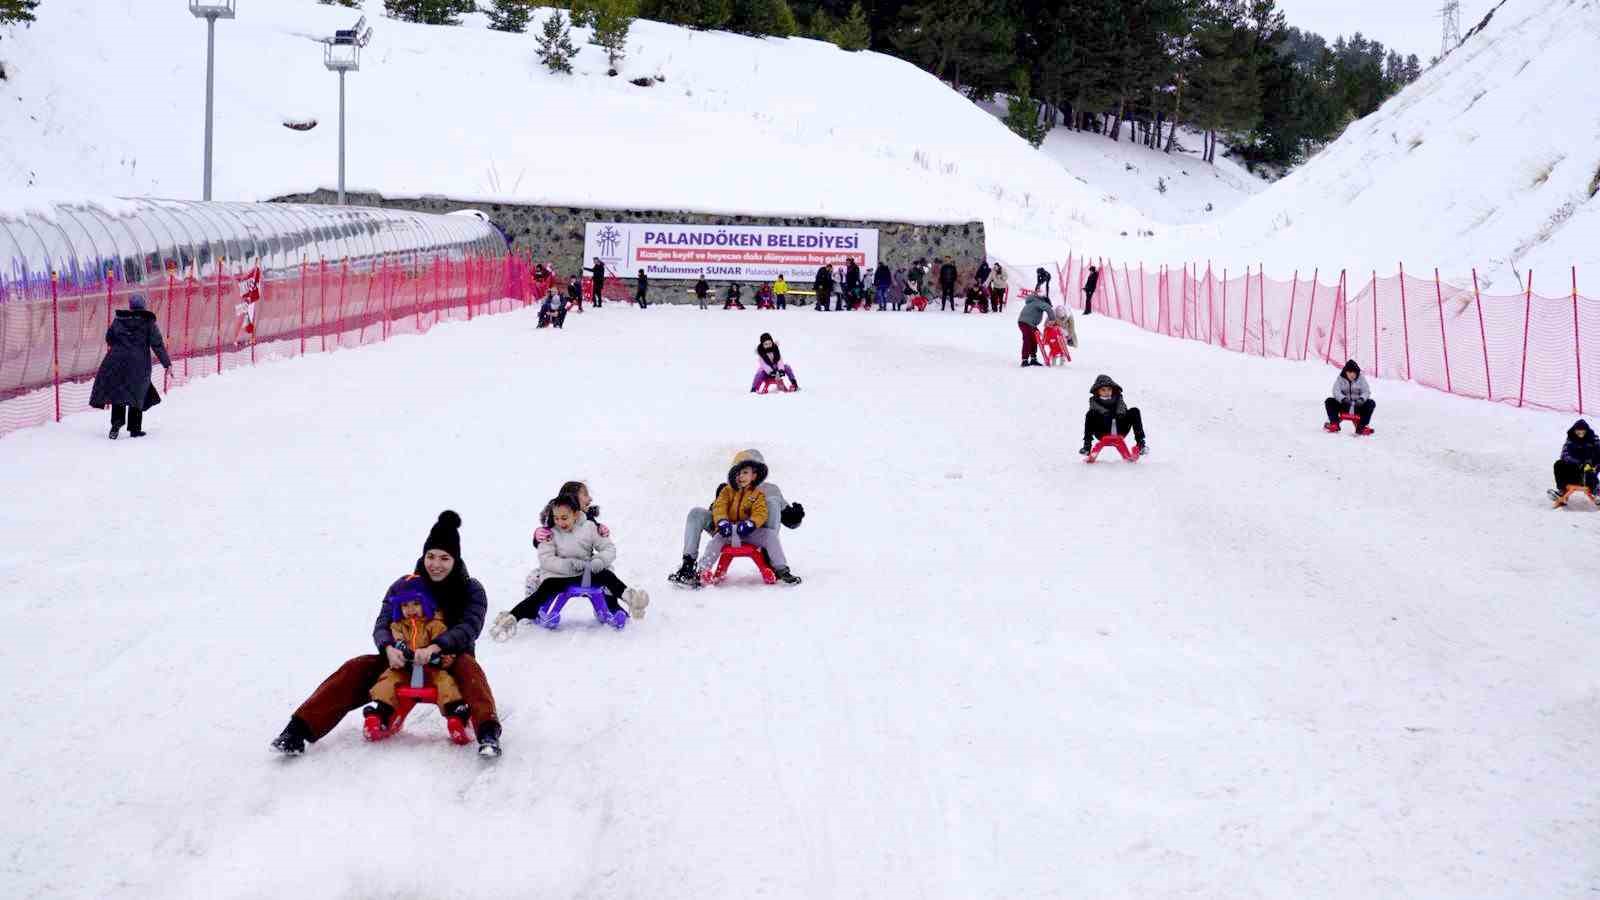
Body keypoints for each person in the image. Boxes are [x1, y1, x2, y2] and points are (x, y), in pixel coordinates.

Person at [271, 511, 503, 758]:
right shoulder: (404, 586)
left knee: (471, 671)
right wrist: (388, 648)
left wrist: (436, 647)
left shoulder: (471, 589)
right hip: (401, 661)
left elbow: (469, 627)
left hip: (448, 661)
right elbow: (383, 622)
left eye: (444, 558)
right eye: (431, 556)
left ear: (455, 559)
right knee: (355, 668)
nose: (436, 564)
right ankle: (296, 731)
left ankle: (488, 734)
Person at [495, 494, 649, 632]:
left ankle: (632, 599)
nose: (559, 522)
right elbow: (546, 559)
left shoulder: (589, 528)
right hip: (560, 577)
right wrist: (568, 565)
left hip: (585, 573)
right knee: (545, 589)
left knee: (607, 576)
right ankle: (513, 617)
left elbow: (608, 548)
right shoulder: (550, 533)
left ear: (575, 514)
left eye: (564, 517)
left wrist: (599, 560)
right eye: (556, 518)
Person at [668, 450, 804, 587]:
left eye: (745, 472)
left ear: (755, 473)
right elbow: (719, 508)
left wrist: (793, 516)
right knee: (699, 519)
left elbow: (765, 514)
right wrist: (721, 521)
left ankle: (778, 566)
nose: (741, 476)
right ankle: (692, 568)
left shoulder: (765, 491)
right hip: (727, 531)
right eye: (738, 472)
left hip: (753, 532)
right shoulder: (727, 490)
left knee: (771, 519)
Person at [364, 576, 468, 741]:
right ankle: (382, 713)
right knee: (388, 678)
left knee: (446, 682)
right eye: (404, 605)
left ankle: (455, 714)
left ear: (426, 603)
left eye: (416, 603)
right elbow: (396, 641)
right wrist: (398, 651)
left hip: (432, 670)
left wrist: (441, 657)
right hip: (406, 670)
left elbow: (443, 645)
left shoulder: (435, 624)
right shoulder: (397, 625)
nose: (410, 609)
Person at [90, 293, 173, 440]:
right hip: (138, 364)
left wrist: (121, 345)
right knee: (137, 394)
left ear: (130, 306)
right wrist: (167, 364)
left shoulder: (119, 320)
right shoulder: (148, 322)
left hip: (116, 361)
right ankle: (135, 429)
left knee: (119, 392)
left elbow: (109, 338)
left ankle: (116, 424)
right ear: (143, 306)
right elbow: (157, 344)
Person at [1079, 375, 1148, 456]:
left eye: (1109, 389)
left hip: (1120, 429)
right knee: (1090, 414)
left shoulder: (1119, 399)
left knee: (1134, 411)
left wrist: (1120, 414)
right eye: (1103, 390)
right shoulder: (1094, 402)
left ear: (1113, 390)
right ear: (1097, 391)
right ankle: (1087, 446)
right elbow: (1095, 410)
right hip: (1102, 432)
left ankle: (1141, 444)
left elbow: (1123, 409)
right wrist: (1105, 414)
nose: (1107, 392)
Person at [1550, 419, 1600, 501]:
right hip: (1575, 468)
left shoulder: (1594, 440)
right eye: (1578, 431)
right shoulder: (1571, 440)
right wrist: (1578, 463)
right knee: (1558, 464)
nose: (1580, 434)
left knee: (1588, 471)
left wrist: (1595, 466)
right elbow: (1564, 454)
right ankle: (1562, 490)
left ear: (1586, 431)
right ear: (1574, 431)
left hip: (1589, 469)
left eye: (1583, 431)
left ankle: (1597, 492)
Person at [1324, 360, 1375, 435]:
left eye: (1354, 372)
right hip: (1344, 405)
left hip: (1358, 406)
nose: (1352, 374)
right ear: (1346, 372)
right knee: (1329, 401)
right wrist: (1343, 399)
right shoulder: (1340, 379)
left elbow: (1366, 391)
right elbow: (1336, 391)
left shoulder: (1361, 379)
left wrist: (1361, 399)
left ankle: (1362, 427)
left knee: (1371, 403)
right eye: (1350, 372)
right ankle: (1334, 424)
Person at [1016, 286, 1058, 367]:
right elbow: (1048, 308)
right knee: (1027, 339)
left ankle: (1033, 359)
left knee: (1035, 339)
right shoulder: (1039, 302)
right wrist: (1052, 320)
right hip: (1026, 323)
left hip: (1027, 323)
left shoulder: (1033, 301)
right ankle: (1025, 360)